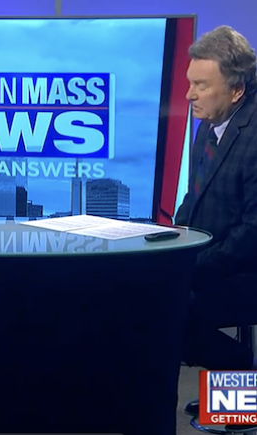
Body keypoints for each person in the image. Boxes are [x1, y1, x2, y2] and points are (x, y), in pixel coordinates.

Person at [175, 25, 257, 427]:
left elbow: (254, 233)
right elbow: (193, 199)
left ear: (237, 90)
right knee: (152, 292)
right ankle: (227, 398)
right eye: (190, 83)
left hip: (246, 270)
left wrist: (194, 266)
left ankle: (242, 391)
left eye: (201, 86)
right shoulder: (209, 123)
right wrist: (171, 244)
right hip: (214, 262)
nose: (189, 95)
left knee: (169, 308)